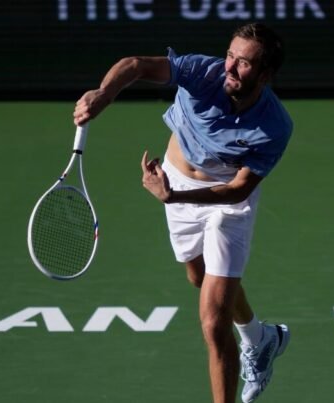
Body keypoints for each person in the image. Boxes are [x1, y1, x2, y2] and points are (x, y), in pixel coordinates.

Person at [73, 23, 293, 403]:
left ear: (266, 74)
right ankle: (261, 337)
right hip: (175, 182)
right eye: (230, 55)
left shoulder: (273, 126)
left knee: (213, 322)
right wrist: (104, 93)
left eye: (244, 64)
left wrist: (173, 198)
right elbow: (137, 64)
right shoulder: (202, 72)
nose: (230, 67)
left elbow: (238, 189)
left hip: (226, 203)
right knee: (199, 277)